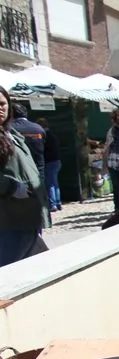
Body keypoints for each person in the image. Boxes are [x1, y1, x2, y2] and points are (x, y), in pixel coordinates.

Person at [0, 87, 49, 266]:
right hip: (9, 220)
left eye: (2, 104)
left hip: (29, 215)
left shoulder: (12, 134)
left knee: (38, 269)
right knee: (9, 271)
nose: (0, 108)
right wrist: (12, 187)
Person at [10, 103, 45, 184]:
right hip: (38, 167)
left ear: (11, 113)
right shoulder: (39, 128)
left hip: (18, 170)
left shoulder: (9, 129)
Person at [36, 118, 61, 212]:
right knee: (55, 183)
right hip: (56, 161)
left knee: (49, 184)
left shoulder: (45, 136)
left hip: (50, 162)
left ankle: (52, 204)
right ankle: (58, 202)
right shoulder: (52, 135)